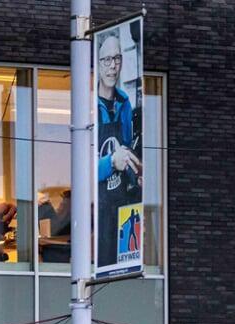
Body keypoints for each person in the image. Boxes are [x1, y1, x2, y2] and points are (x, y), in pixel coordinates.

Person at [96, 30, 141, 269]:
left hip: (121, 206)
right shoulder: (89, 105)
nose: (112, 66)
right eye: (106, 60)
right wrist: (111, 162)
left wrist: (136, 169)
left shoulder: (124, 102)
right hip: (98, 211)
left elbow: (127, 145)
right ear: (97, 63)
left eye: (117, 58)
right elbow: (81, 171)